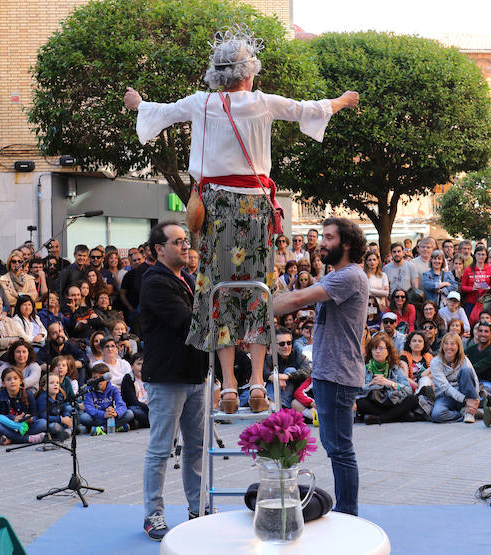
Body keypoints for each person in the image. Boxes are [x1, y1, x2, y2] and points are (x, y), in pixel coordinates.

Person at [128, 28, 359, 420]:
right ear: (248, 73)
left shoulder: (201, 103)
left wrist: (138, 103)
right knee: (257, 291)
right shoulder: (262, 102)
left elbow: (159, 112)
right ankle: (255, 381)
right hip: (254, 207)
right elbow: (305, 109)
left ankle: (228, 386)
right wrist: (340, 102)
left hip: (214, 206)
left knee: (218, 290)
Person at [274, 217, 368, 516]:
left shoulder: (349, 275)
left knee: (340, 450)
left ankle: (349, 515)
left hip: (339, 374)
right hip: (331, 372)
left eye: (328, 237)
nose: (322, 243)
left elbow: (300, 297)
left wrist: (258, 304)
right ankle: (347, 512)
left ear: (346, 243)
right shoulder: (338, 275)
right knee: (336, 447)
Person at [138, 222, 209, 539]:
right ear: (158, 249)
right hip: (167, 378)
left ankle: (198, 508)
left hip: (195, 374)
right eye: (177, 241)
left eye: (186, 240)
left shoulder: (190, 279)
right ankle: (153, 514)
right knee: (161, 450)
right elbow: (188, 322)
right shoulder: (154, 282)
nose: (185, 245)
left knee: (196, 447)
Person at [355, 332, 421, 425]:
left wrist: (390, 383)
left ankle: (380, 419)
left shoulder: (395, 368)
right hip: (375, 403)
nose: (378, 351)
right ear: (371, 351)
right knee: (360, 402)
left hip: (393, 402)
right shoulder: (365, 368)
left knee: (413, 399)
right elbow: (357, 391)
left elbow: (408, 390)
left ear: (388, 351)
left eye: (381, 348)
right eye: (375, 348)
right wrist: (370, 384)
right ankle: (398, 417)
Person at [429, 332, 479, 423]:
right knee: (436, 415)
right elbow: (445, 386)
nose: (449, 347)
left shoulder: (464, 360)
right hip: (445, 396)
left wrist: (475, 400)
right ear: (442, 345)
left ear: (458, 346)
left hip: (463, 392)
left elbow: (474, 379)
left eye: (452, 344)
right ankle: (463, 414)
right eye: (446, 343)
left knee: (466, 370)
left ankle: (470, 412)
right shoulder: (435, 362)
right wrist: (465, 400)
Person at [0, 367, 46, 445]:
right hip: (9, 426)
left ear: (21, 381)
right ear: (3, 383)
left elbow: (35, 415)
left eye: (15, 378)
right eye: (8, 379)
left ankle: (11, 439)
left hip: (25, 427)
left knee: (43, 423)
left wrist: (29, 419)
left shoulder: (28, 394)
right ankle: (29, 438)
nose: (12, 382)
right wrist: (13, 418)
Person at [81, 363, 133, 434]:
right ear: (92, 379)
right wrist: (103, 414)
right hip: (99, 416)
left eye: (101, 377)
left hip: (111, 416)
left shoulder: (113, 389)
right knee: (84, 417)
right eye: (95, 377)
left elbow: (122, 405)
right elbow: (89, 408)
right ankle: (118, 427)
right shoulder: (89, 390)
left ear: (107, 379)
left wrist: (116, 413)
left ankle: (103, 429)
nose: (98, 380)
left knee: (129, 413)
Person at [36, 372, 72, 442]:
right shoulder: (43, 398)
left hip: (60, 421)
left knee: (72, 416)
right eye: (52, 383)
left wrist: (67, 417)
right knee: (54, 427)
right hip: (51, 422)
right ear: (44, 387)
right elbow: (44, 416)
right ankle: (66, 432)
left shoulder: (59, 396)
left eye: (57, 383)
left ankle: (65, 432)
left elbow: (64, 409)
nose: (55, 384)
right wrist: (61, 419)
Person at [460, 245, 491, 317]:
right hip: (471, 303)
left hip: (485, 302)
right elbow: (462, 286)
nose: (481, 257)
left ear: (486, 256)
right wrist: (472, 288)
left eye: (483, 254)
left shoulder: (490, 269)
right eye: (478, 254)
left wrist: (488, 288)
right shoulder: (468, 270)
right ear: (474, 255)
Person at [120, 354, 149, 430]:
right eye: (139, 364)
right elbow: (132, 401)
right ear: (132, 366)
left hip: (150, 407)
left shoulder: (149, 378)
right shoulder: (128, 378)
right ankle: (149, 422)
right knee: (134, 411)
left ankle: (141, 423)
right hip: (138, 407)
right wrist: (148, 407)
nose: (142, 367)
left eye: (144, 364)